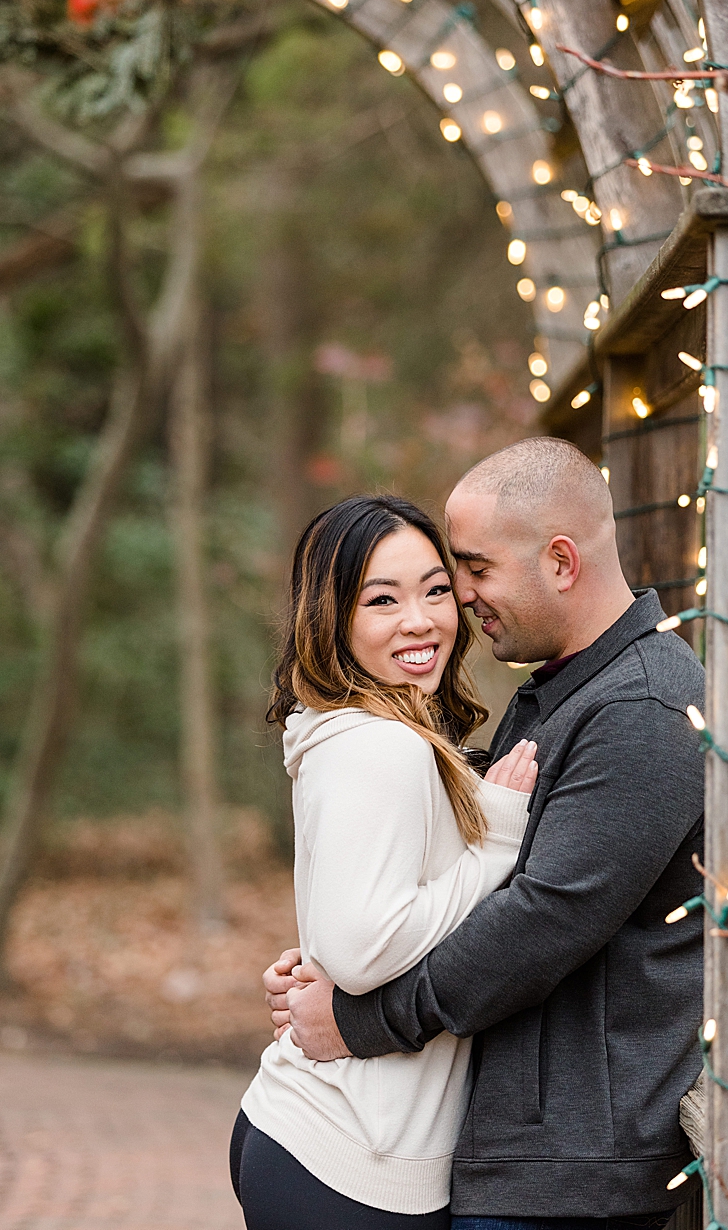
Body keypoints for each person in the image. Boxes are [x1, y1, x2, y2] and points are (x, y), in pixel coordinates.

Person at [267, 437, 706, 1228]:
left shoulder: (641, 709)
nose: (461, 598)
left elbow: (542, 920)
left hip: (567, 1172)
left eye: (472, 570)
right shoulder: (562, 692)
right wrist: (330, 953)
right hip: (512, 1153)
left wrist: (359, 1020)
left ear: (561, 562)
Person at [233, 493, 541, 1229]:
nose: (421, 620)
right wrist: (498, 843)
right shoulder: (382, 747)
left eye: (435, 590)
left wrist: (319, 955)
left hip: (323, 1139)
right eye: (382, 600)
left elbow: (356, 922)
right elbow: (365, 950)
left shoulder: (359, 732)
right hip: (349, 1163)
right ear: (333, 620)